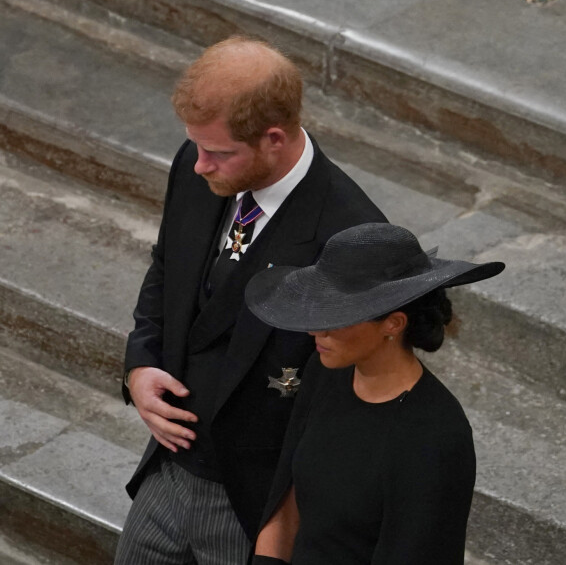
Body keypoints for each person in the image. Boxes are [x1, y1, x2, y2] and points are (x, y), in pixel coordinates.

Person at [114, 35, 387, 565]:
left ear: (274, 140)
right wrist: (140, 364)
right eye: (195, 146)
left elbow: (339, 407)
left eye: (218, 153)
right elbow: (167, 269)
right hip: (165, 474)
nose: (199, 165)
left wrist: (278, 537)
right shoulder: (196, 167)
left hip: (252, 505)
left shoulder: (350, 234)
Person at [245, 222, 505, 565]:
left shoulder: (436, 436)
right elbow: (286, 500)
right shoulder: (325, 371)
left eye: (336, 315)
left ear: (393, 324)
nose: (314, 329)